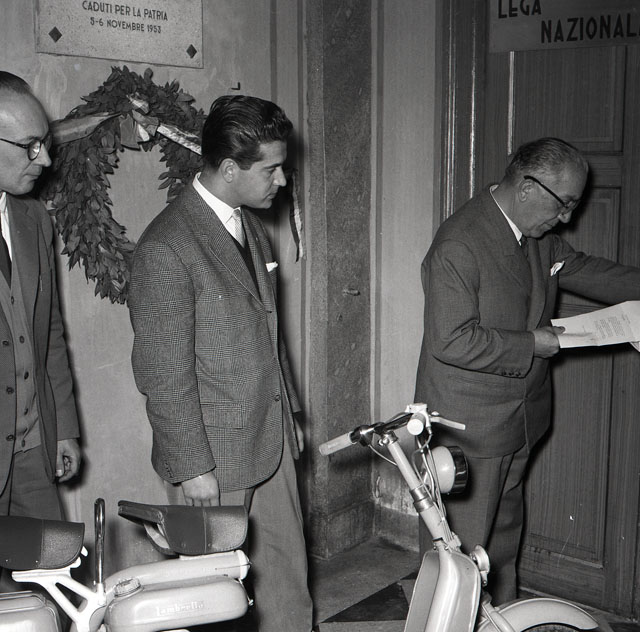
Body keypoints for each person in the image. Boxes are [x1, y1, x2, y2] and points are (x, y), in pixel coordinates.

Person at [414, 137, 640, 604]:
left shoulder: (536, 236)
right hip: (470, 428)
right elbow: (451, 340)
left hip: (519, 420)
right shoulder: (459, 243)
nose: (568, 218)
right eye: (564, 204)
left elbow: (586, 269)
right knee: (458, 555)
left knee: (499, 547)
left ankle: (501, 619)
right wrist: (533, 343)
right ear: (527, 187)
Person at [128, 95, 313, 632]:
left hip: (269, 436)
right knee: (212, 601)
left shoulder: (248, 225)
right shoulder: (167, 246)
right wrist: (193, 467)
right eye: (271, 169)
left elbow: (268, 332)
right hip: (213, 458)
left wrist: (290, 414)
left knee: (287, 580)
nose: (282, 180)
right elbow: (163, 372)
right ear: (230, 169)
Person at [0, 71, 81, 523]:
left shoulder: (34, 218)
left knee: (56, 563)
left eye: (45, 143)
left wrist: (62, 427)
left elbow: (49, 334)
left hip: (33, 448)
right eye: (30, 146)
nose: (46, 159)